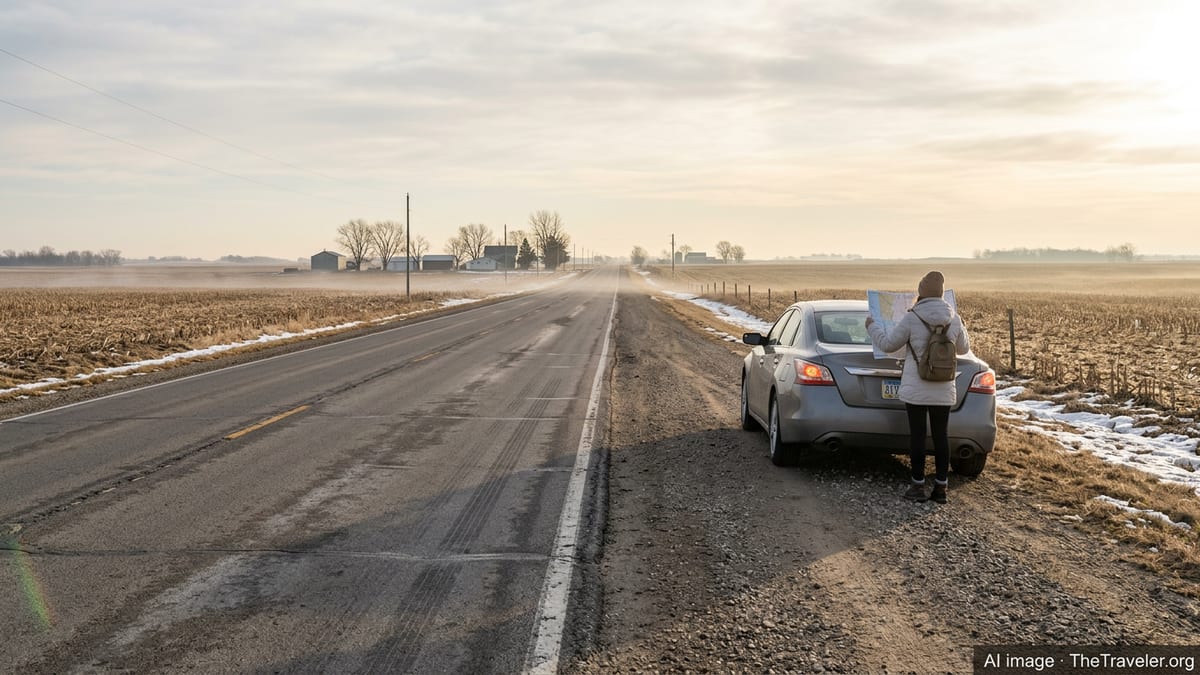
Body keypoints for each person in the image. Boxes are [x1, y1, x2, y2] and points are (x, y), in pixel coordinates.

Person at [865, 271, 970, 504]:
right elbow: (963, 349)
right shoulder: (954, 318)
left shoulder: (912, 318)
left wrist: (872, 327)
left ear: (921, 293)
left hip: (916, 387)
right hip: (944, 387)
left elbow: (889, 345)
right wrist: (963, 327)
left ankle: (917, 486)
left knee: (918, 437)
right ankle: (941, 489)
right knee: (942, 436)